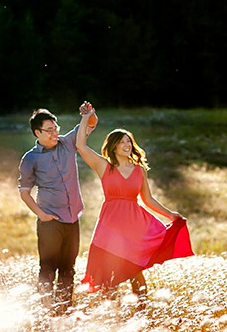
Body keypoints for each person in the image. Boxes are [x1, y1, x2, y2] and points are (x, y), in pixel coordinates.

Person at [76, 106, 193, 299]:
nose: (127, 144)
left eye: (129, 141)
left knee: (135, 272)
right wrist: (86, 117)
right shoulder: (104, 165)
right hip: (110, 226)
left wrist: (170, 215)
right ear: (113, 146)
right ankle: (111, 317)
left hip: (134, 226)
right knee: (109, 273)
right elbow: (81, 145)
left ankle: (142, 313)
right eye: (122, 142)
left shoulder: (139, 170)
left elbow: (148, 199)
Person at [18, 102, 97, 313]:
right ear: (37, 132)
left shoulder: (68, 143)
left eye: (56, 129)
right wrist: (41, 215)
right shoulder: (30, 159)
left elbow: (89, 125)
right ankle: (46, 310)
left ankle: (63, 311)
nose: (55, 133)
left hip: (72, 219)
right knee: (47, 268)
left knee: (68, 269)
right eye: (49, 130)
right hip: (50, 221)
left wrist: (89, 114)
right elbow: (24, 192)